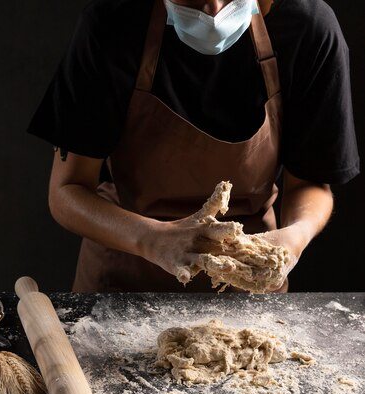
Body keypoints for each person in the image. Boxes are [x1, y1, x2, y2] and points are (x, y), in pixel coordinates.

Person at [28, 0, 359, 293]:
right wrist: (154, 238)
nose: (214, 9)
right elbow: (67, 191)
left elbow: (311, 182)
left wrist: (293, 239)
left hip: (248, 288)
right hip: (123, 280)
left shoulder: (307, 28)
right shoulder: (113, 27)